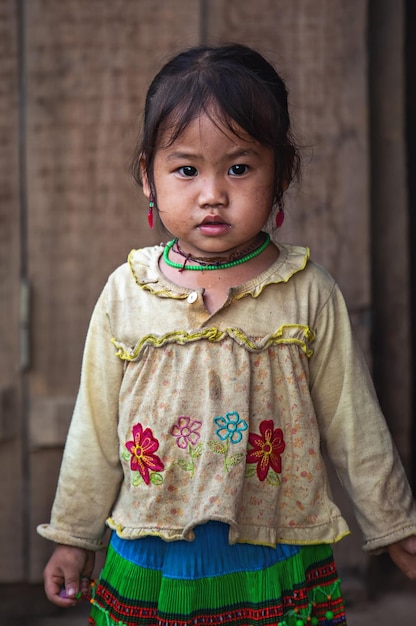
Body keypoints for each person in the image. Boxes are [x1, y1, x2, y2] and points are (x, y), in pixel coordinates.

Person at [38, 43, 416, 626]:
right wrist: (72, 535)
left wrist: (394, 522)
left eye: (239, 168)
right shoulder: (128, 291)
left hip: (273, 543)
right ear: (148, 175)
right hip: (152, 544)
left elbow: (353, 421)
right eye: (186, 169)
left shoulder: (306, 292)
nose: (212, 193)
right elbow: (93, 428)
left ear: (281, 172)